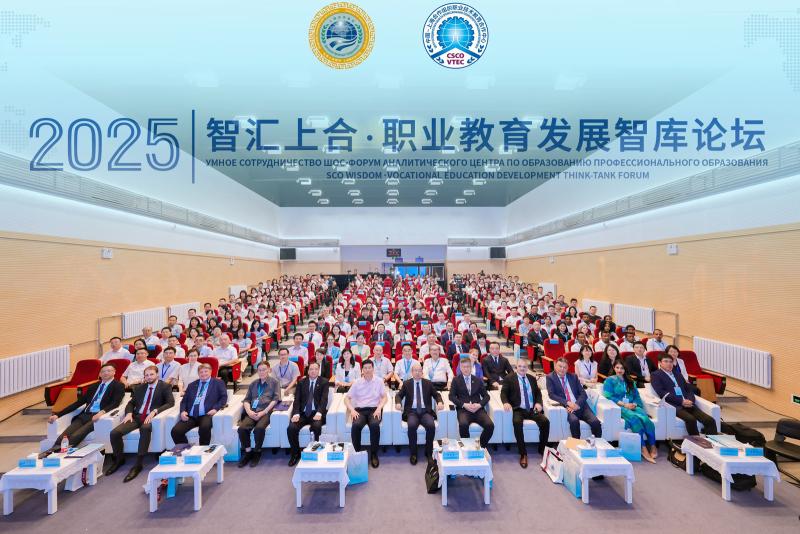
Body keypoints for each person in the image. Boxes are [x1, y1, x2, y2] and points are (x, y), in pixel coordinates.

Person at [106, 366, 175, 482]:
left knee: (145, 429)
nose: (149, 377)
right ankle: (119, 459)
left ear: (157, 375)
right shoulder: (139, 388)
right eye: (146, 375)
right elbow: (131, 403)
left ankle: (138, 464)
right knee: (115, 433)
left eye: (151, 374)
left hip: (151, 418)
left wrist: (155, 411)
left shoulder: (165, 386)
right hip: (137, 416)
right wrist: (129, 413)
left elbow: (170, 403)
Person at [44, 364, 124, 454]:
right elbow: (78, 403)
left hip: (97, 417)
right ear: (100, 374)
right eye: (103, 371)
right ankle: (50, 455)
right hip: (84, 415)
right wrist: (58, 415)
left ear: (114, 372)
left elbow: (115, 403)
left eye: (109, 371)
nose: (106, 373)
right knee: (63, 436)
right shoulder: (94, 386)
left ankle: (61, 456)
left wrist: (101, 412)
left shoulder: (118, 386)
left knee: (76, 436)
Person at [603, 360, 657, 463]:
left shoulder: (630, 381)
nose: (619, 370)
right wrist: (624, 404)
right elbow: (608, 396)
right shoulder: (609, 380)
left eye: (622, 368)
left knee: (646, 420)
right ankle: (643, 448)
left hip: (633, 405)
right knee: (635, 419)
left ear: (625, 369)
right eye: (617, 368)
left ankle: (653, 445)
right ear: (614, 368)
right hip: (620, 406)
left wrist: (635, 404)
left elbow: (636, 396)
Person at [652, 352, 718, 436]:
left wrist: (690, 400)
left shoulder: (677, 374)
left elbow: (688, 389)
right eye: (666, 361)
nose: (669, 364)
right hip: (674, 405)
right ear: (660, 363)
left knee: (710, 420)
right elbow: (662, 393)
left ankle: (712, 442)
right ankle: (696, 442)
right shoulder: (656, 375)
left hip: (688, 403)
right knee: (691, 419)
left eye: (670, 362)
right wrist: (681, 401)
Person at [501, 358, 550, 467]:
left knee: (545, 421)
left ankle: (542, 449)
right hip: (518, 409)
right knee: (517, 423)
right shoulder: (509, 378)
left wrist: (539, 403)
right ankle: (523, 453)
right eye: (520, 366)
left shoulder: (531, 378)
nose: (522, 368)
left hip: (532, 409)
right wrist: (505, 402)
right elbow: (503, 393)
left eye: (524, 367)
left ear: (527, 368)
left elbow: (538, 393)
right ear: (516, 367)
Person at [396, 361, 442, 464]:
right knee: (412, 426)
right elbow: (399, 395)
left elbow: (436, 394)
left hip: (425, 412)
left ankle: (428, 452)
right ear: (412, 372)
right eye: (415, 371)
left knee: (431, 426)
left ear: (422, 372)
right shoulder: (407, 383)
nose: (417, 373)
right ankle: (413, 453)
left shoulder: (428, 383)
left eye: (419, 371)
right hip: (412, 412)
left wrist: (439, 402)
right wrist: (398, 403)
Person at [171, 363, 228, 447]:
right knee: (176, 431)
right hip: (191, 416)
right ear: (198, 373)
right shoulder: (192, 385)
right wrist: (182, 411)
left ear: (211, 372)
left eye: (206, 371)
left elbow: (223, 397)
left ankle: (202, 450)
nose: (203, 374)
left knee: (204, 428)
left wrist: (215, 409)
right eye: (201, 372)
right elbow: (184, 401)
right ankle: (186, 450)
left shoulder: (218, 383)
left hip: (206, 414)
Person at [344, 360, 387, 468]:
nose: (367, 370)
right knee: (356, 425)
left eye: (369, 368)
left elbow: (384, 397)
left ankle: (374, 454)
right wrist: (352, 410)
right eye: (365, 368)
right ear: (362, 370)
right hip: (360, 410)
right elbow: (347, 398)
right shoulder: (357, 382)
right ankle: (357, 453)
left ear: (373, 369)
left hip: (374, 409)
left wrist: (379, 408)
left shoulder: (379, 381)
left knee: (374, 425)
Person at [286, 361, 330, 465]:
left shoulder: (324, 382)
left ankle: (316, 452)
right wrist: (296, 413)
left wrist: (319, 412)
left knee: (316, 427)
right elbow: (297, 400)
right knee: (291, 428)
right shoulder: (301, 382)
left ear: (318, 370)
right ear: (308, 371)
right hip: (303, 413)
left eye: (316, 369)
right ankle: (295, 453)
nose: (313, 371)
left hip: (316, 412)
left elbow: (324, 400)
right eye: (311, 369)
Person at [546, 357, 602, 439]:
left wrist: (577, 405)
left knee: (595, 422)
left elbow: (583, 394)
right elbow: (551, 394)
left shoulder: (573, 377)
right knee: (574, 421)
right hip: (567, 407)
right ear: (555, 365)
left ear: (568, 368)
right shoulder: (550, 377)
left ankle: (597, 443)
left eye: (565, 367)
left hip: (580, 406)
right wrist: (568, 403)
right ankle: (576, 444)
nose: (562, 369)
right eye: (560, 366)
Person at [238, 361, 281, 467]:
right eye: (259, 370)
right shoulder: (253, 384)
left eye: (264, 370)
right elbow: (246, 400)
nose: (261, 372)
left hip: (266, 412)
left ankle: (257, 452)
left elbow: (275, 400)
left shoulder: (274, 383)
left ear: (269, 370)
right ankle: (248, 452)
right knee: (242, 429)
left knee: (259, 429)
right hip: (252, 412)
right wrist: (249, 411)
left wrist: (264, 412)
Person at [449, 358, 494, 448]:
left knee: (490, 425)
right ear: (460, 368)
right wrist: (463, 405)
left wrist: (479, 405)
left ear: (471, 367)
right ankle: (468, 447)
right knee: (463, 425)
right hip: (464, 410)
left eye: (468, 367)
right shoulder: (456, 380)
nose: (466, 369)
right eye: (464, 367)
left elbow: (486, 396)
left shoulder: (477, 380)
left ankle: (480, 446)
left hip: (478, 409)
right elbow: (451, 396)